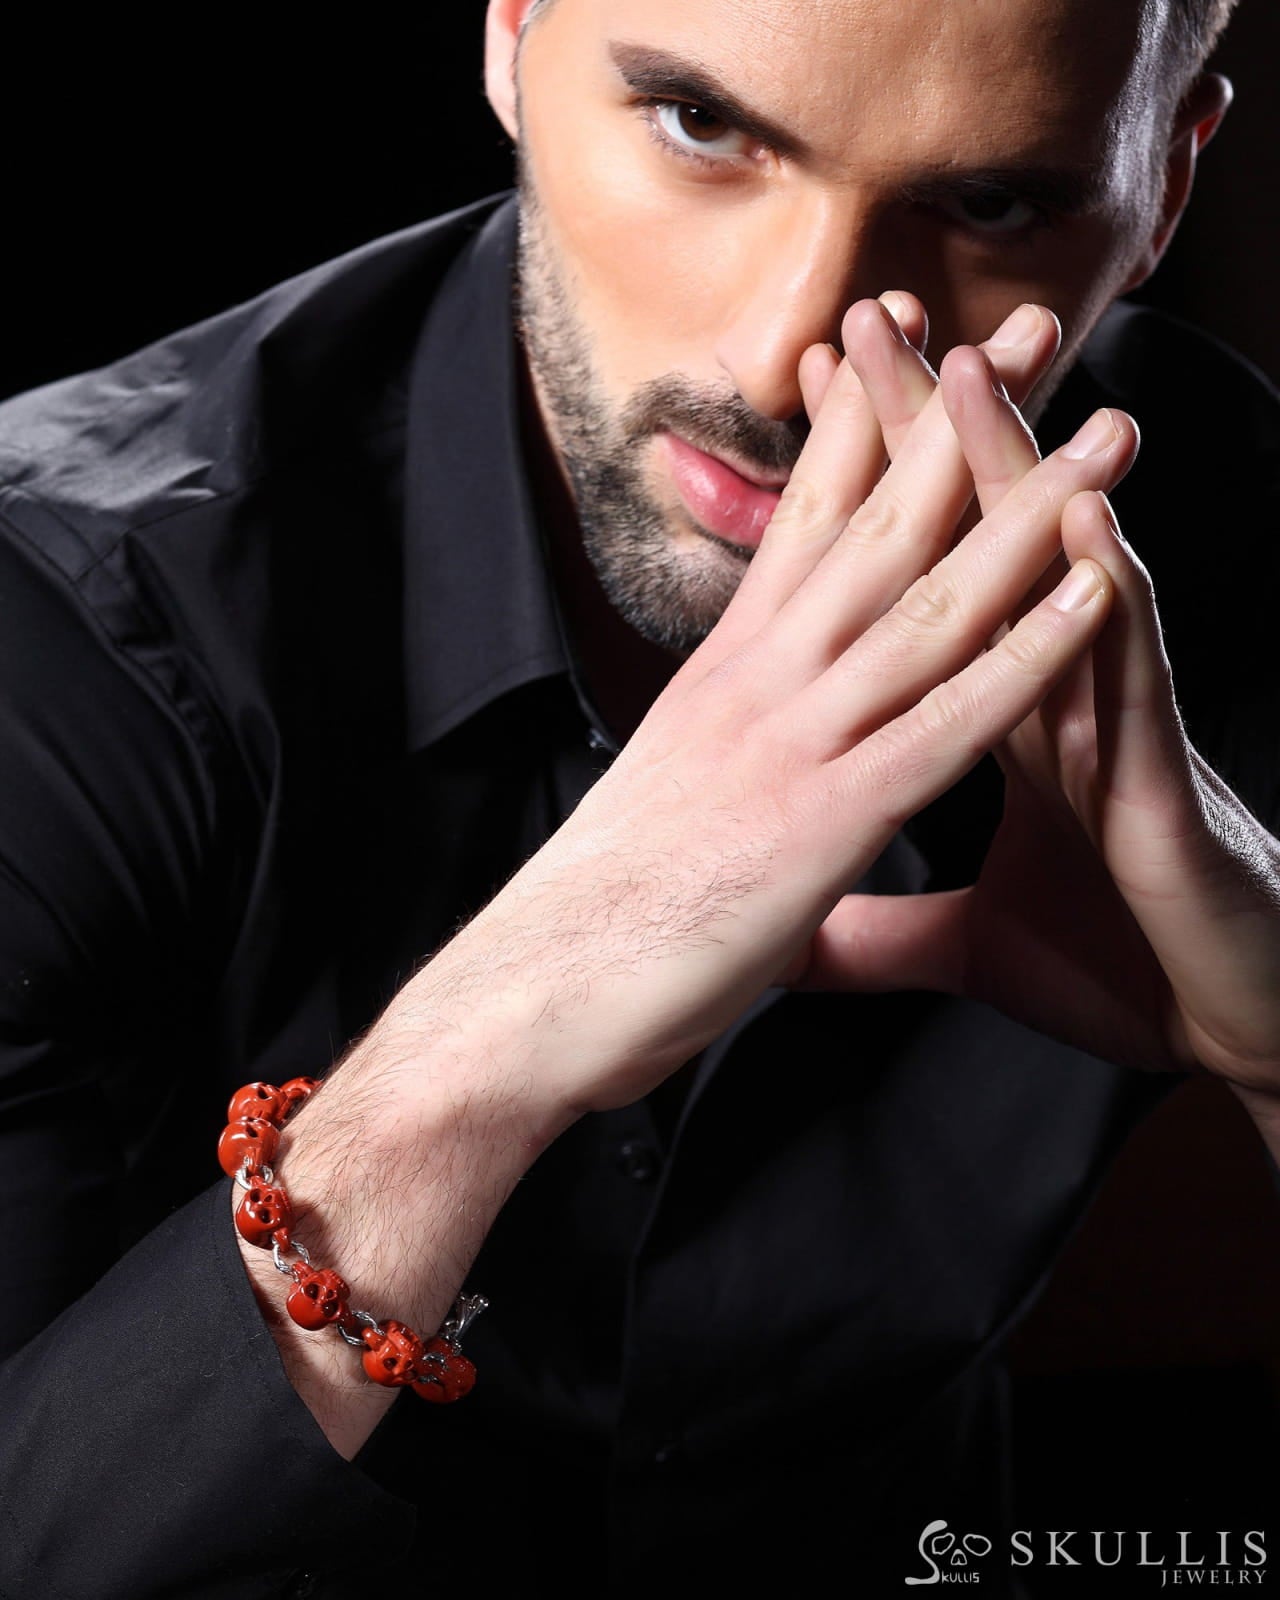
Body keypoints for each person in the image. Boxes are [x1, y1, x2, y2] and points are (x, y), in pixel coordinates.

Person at [1, 0, 1277, 1595]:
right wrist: (483, 1041)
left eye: (991, 203)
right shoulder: (67, 635)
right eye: (699, 125)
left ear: (1162, 189)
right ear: (509, 35)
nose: (785, 355)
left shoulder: (1227, 551)